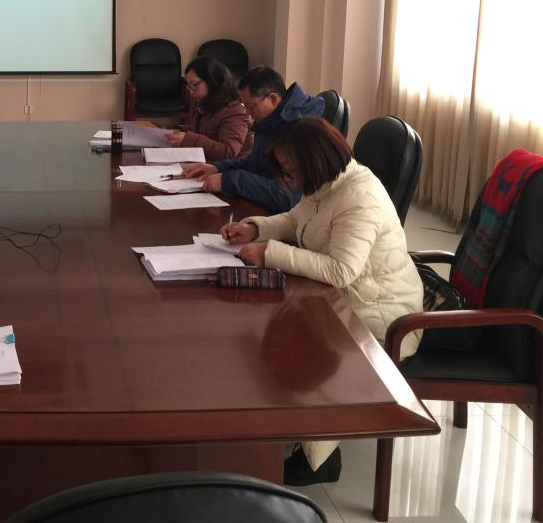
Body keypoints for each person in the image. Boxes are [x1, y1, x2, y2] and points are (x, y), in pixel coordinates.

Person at [221, 118, 423, 485]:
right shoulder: (326, 184)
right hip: (345, 299)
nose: (288, 179)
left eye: (290, 171)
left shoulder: (359, 198)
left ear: (314, 160)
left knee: (297, 343)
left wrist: (269, 252)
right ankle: (288, 427)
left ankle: (320, 459)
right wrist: (255, 228)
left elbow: (342, 270)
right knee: (267, 323)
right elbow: (294, 220)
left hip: (380, 317)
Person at [181, 67, 324, 213]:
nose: (247, 113)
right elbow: (255, 163)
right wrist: (218, 167)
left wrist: (229, 180)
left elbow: (288, 198)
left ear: (272, 99)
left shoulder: (301, 129)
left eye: (250, 106)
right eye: (245, 106)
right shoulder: (270, 120)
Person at [164, 56, 251, 160]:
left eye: (194, 85)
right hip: (208, 162)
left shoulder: (235, 110)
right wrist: (179, 131)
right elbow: (202, 132)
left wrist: (187, 139)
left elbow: (228, 152)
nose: (191, 92)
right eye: (189, 87)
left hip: (227, 167)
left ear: (212, 81)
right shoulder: (208, 103)